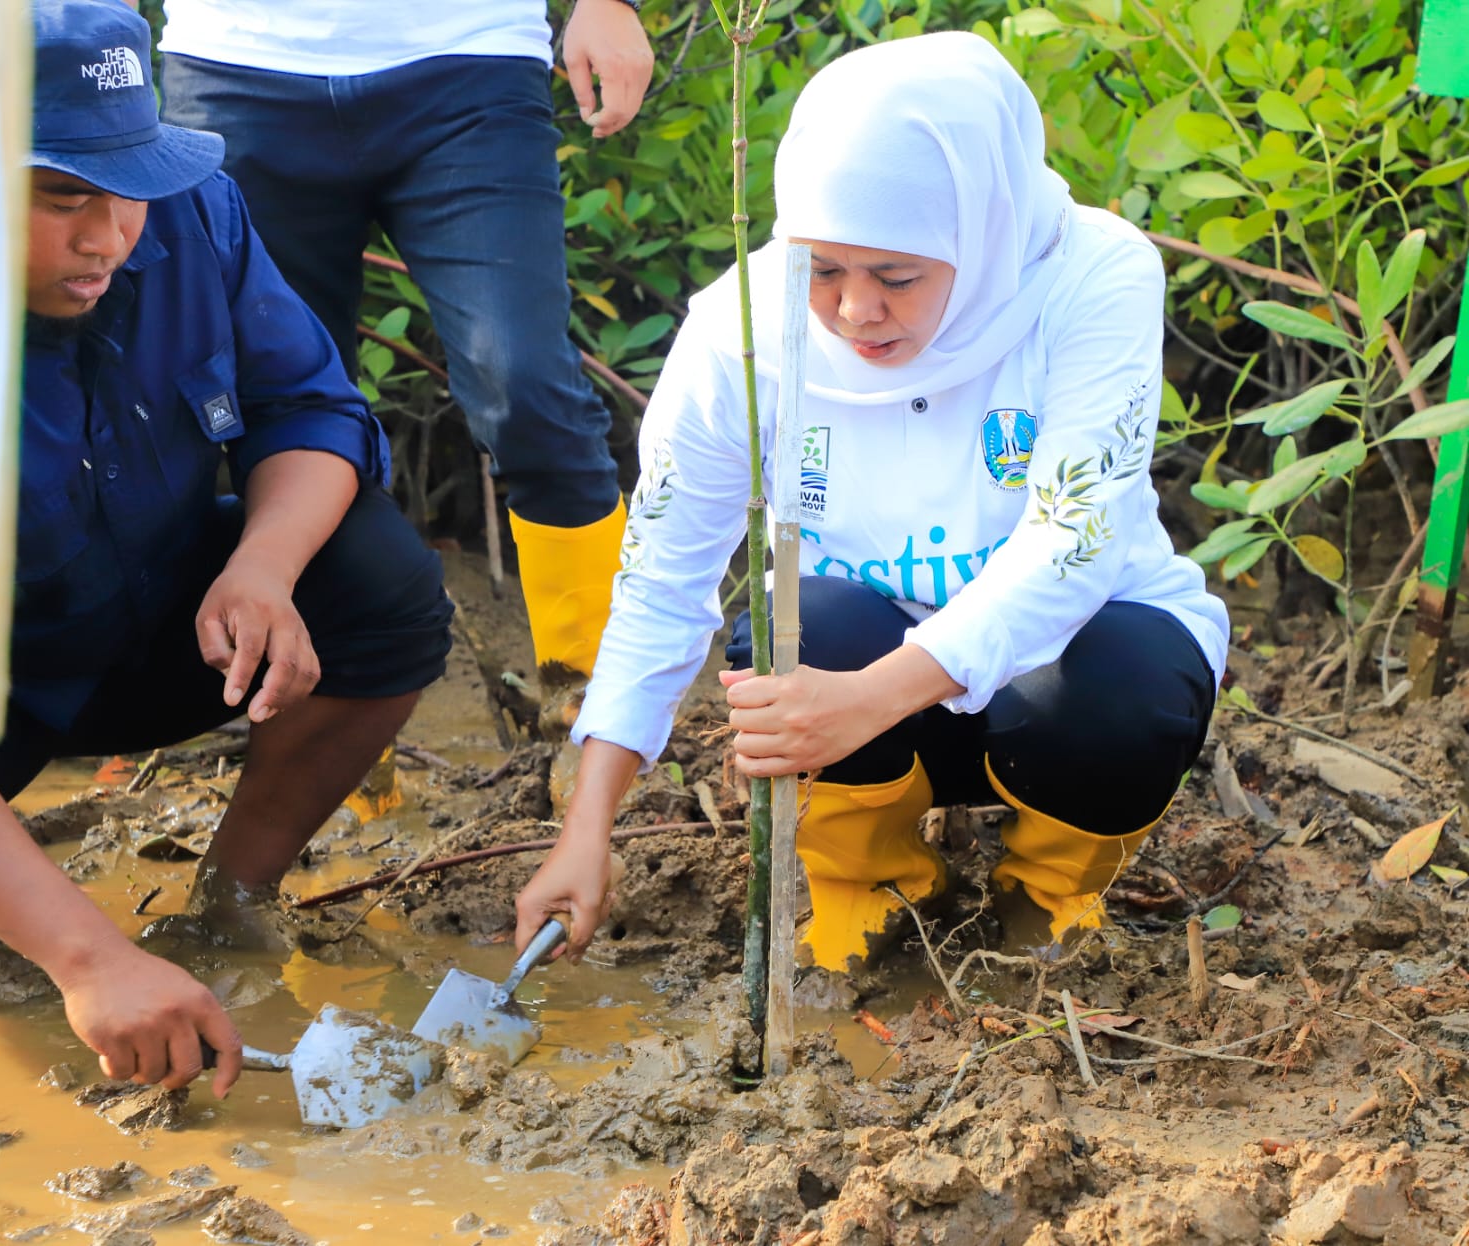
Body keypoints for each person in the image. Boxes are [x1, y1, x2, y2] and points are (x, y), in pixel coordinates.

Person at [514, 32, 1229, 973]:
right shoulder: (743, 327)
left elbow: (1073, 543)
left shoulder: (1091, 277)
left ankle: (1048, 896)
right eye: (823, 270)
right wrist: (587, 825)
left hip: (1050, 674)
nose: (854, 312)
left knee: (1132, 680)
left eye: (896, 276)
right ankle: (869, 886)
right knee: (798, 627)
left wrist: (867, 700)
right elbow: (664, 577)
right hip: (854, 679)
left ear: (983, 232)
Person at [0, 0, 453, 1093]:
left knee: (379, 581)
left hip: (151, 626)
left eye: (129, 182)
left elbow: (312, 409)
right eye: (63, 195)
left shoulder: (194, 216)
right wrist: (87, 959)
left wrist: (262, 568)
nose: (109, 235)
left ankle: (228, 907)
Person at [155, 0, 655, 725]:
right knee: (268, 421)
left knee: (526, 387)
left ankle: (600, 727)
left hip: (470, 63)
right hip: (234, 68)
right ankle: (342, 764)